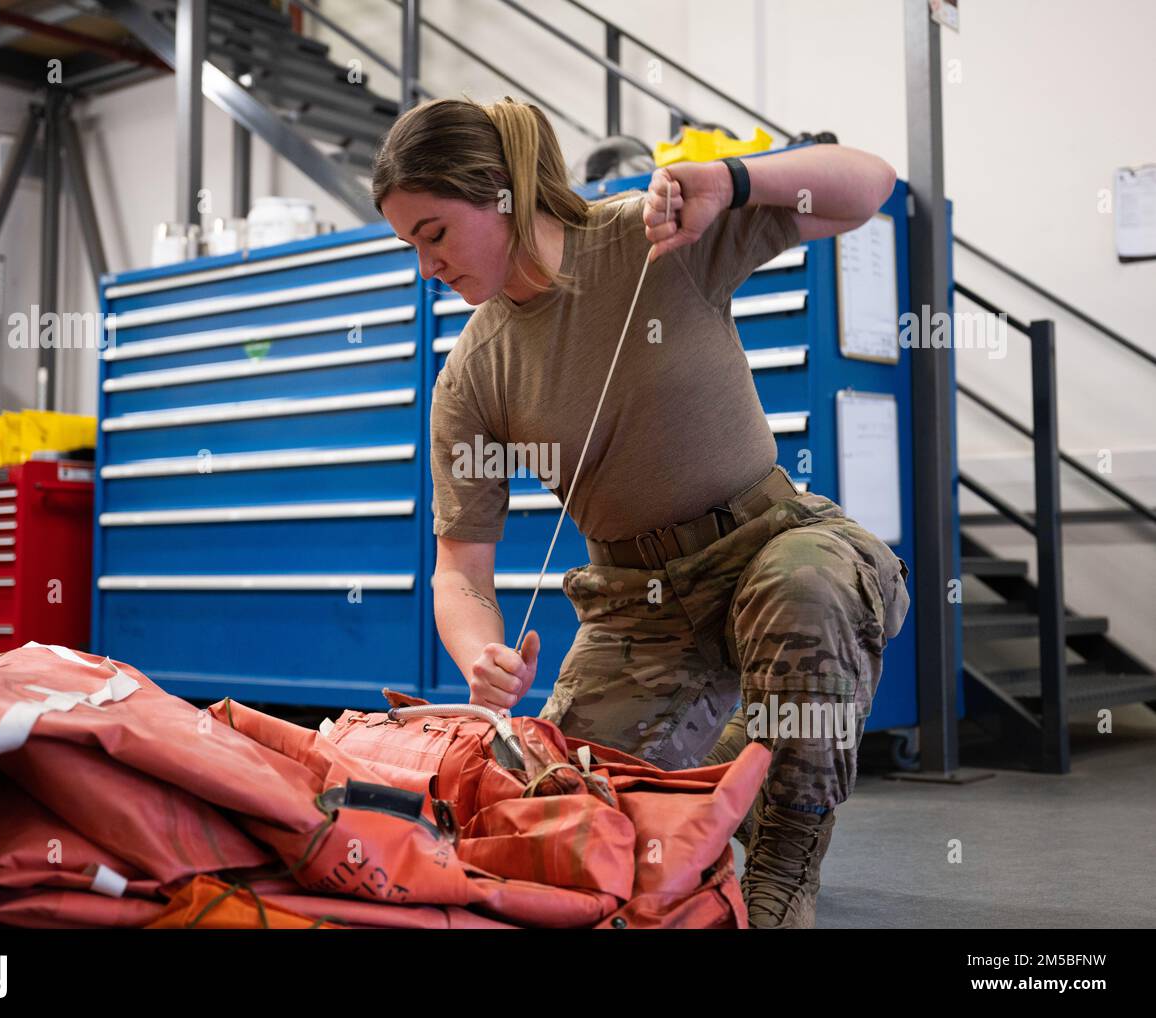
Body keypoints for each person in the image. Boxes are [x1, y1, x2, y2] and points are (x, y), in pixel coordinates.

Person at [371, 96, 910, 928]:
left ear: (501, 190)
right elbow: (460, 570)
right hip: (637, 603)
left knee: (808, 589)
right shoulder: (472, 376)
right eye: (409, 244)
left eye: (434, 234)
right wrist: (480, 653)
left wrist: (731, 181)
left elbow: (868, 186)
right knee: (559, 806)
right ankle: (738, 759)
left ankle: (782, 863)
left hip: (775, 542)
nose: (424, 266)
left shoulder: (657, 235)